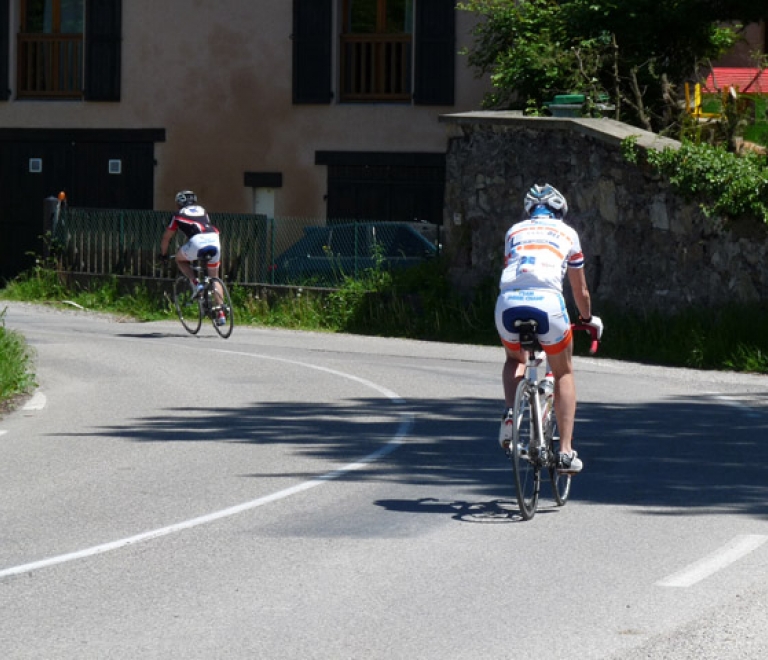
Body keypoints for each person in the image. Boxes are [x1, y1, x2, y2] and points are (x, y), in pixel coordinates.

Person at [494, 183, 603, 473]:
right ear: (560, 211)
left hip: (507, 304)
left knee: (513, 359)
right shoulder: (568, 233)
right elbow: (580, 289)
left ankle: (510, 415)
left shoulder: (514, 231)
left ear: (530, 210)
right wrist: (586, 317)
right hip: (548, 305)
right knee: (564, 370)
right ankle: (565, 451)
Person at [159, 190, 227, 326]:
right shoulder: (202, 210)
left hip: (197, 241)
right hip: (214, 238)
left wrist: (163, 255)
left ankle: (197, 284)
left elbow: (166, 238)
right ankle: (221, 314)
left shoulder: (178, 215)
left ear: (179, 203)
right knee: (215, 277)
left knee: (180, 259)